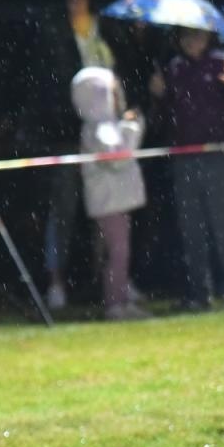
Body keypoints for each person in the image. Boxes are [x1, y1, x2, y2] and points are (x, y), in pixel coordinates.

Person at [25, 0, 136, 311]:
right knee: (64, 208)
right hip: (68, 134)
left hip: (108, 132)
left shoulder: (107, 24)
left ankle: (115, 281)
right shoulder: (50, 26)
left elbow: (122, 71)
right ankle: (56, 282)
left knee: (109, 209)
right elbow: (47, 84)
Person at [150, 27, 224, 310]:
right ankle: (199, 296)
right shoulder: (173, 67)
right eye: (185, 35)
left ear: (208, 35)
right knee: (191, 231)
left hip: (219, 156)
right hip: (183, 160)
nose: (191, 40)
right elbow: (161, 118)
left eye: (197, 34)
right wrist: (157, 95)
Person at [70, 67, 149, 320]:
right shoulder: (100, 128)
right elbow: (117, 159)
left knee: (115, 251)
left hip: (111, 200)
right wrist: (133, 128)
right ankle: (116, 304)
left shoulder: (101, 126)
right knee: (118, 252)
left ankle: (121, 298)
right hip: (109, 201)